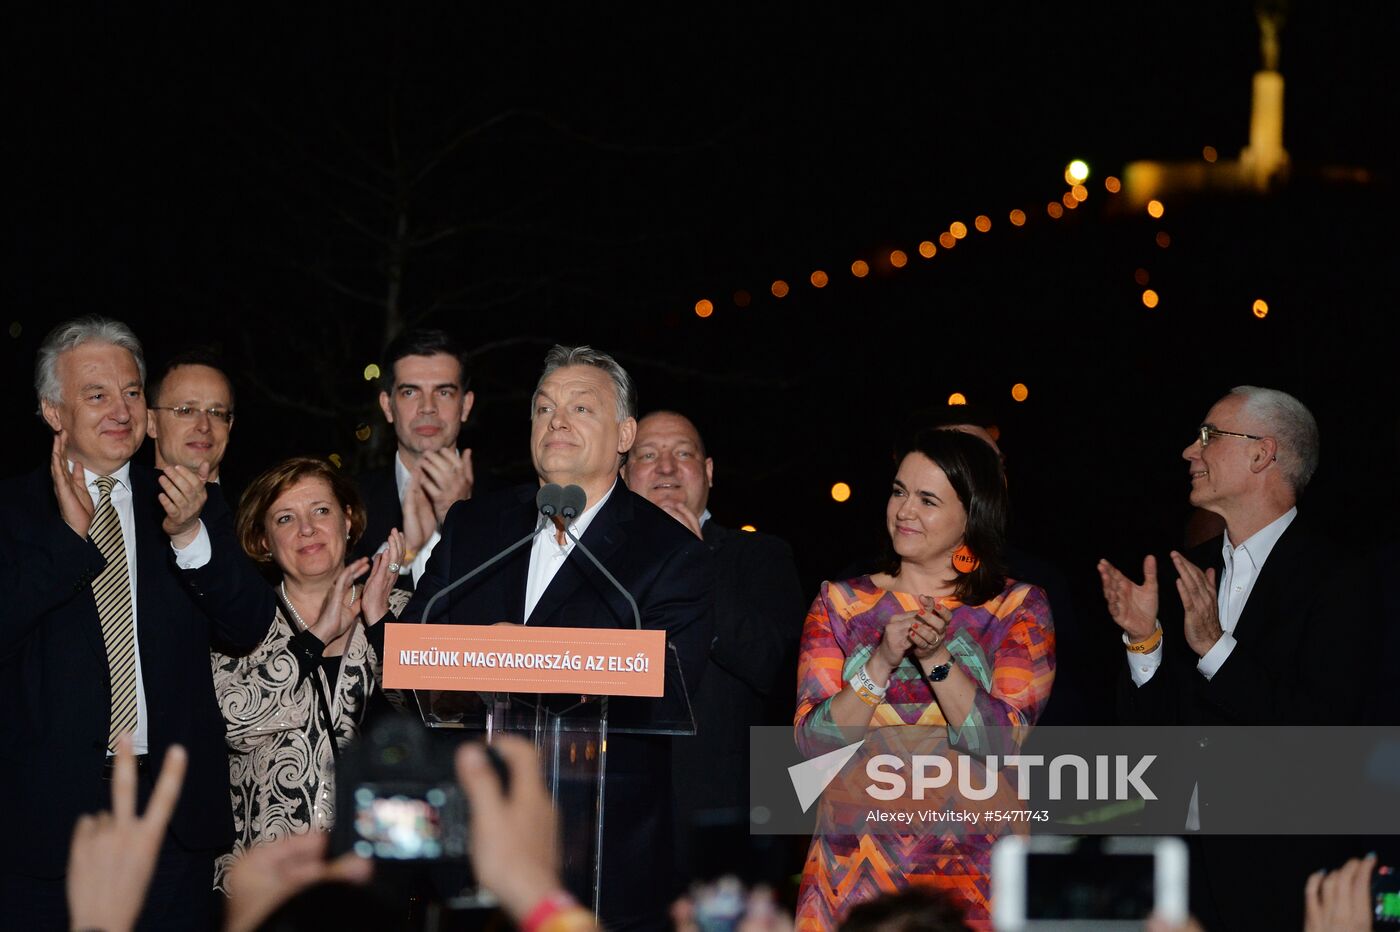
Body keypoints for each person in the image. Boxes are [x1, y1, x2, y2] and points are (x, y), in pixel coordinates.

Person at [405, 344, 715, 931]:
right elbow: (414, 644)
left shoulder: (669, 551)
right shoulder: (477, 527)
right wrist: (475, 658)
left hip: (600, 853)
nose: (557, 422)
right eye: (543, 409)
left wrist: (517, 657)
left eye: (580, 408)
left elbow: (670, 679)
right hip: (471, 846)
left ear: (625, 434)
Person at [0, 317, 274, 930]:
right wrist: (69, 544)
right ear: (53, 412)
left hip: (169, 813)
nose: (121, 410)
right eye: (95, 395)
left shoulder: (184, 498)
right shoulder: (14, 513)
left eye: (131, 392)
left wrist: (192, 537)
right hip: (45, 819)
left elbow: (249, 625)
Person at [1097, 385, 1367, 932]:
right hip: (1179, 873)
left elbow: (1326, 735)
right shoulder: (1185, 572)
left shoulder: (1339, 579)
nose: (1189, 452)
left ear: (1261, 454)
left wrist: (1217, 649)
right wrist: (1144, 641)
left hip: (1278, 876)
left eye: (1208, 437)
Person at [794, 429, 1055, 930]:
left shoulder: (1018, 608)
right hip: (853, 874)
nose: (904, 511)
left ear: (970, 516)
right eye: (898, 492)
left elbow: (1005, 742)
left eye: (928, 499)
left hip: (974, 875)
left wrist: (936, 658)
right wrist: (881, 662)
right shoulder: (840, 604)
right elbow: (812, 745)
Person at [205, 457, 408, 889]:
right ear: (262, 541)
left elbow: (431, 716)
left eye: (321, 511)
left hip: (376, 874)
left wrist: (379, 623)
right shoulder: (239, 620)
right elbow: (231, 722)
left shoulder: (402, 612)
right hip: (266, 876)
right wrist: (313, 640)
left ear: (349, 521)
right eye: (285, 518)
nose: (307, 529)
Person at [620, 410, 805, 883]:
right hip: (616, 818)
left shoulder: (762, 555)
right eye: (647, 455)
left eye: (682, 454)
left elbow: (778, 670)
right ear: (622, 475)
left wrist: (694, 564)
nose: (665, 468)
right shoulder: (595, 563)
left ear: (708, 472)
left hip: (728, 823)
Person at [354, 328, 476, 589]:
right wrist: (406, 551)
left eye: (443, 392)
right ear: (387, 406)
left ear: (465, 405)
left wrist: (463, 522)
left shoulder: (514, 504)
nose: (427, 406)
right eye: (410, 392)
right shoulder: (349, 503)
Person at [146, 349, 236, 484]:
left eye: (216, 413)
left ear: (229, 427)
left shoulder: (253, 503)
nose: (204, 426)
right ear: (151, 423)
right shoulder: (119, 502)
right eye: (186, 411)